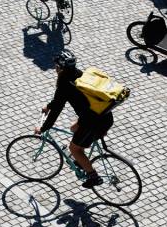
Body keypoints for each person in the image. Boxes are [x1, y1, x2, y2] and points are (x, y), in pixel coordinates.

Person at [35, 51, 112, 189]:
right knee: (73, 129)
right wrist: (49, 106)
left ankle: (94, 177)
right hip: (104, 116)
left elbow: (57, 109)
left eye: (56, 66)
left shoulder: (64, 83)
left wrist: (43, 128)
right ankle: (81, 161)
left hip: (93, 122)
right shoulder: (79, 74)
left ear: (60, 67)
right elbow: (58, 101)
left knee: (74, 149)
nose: (55, 68)